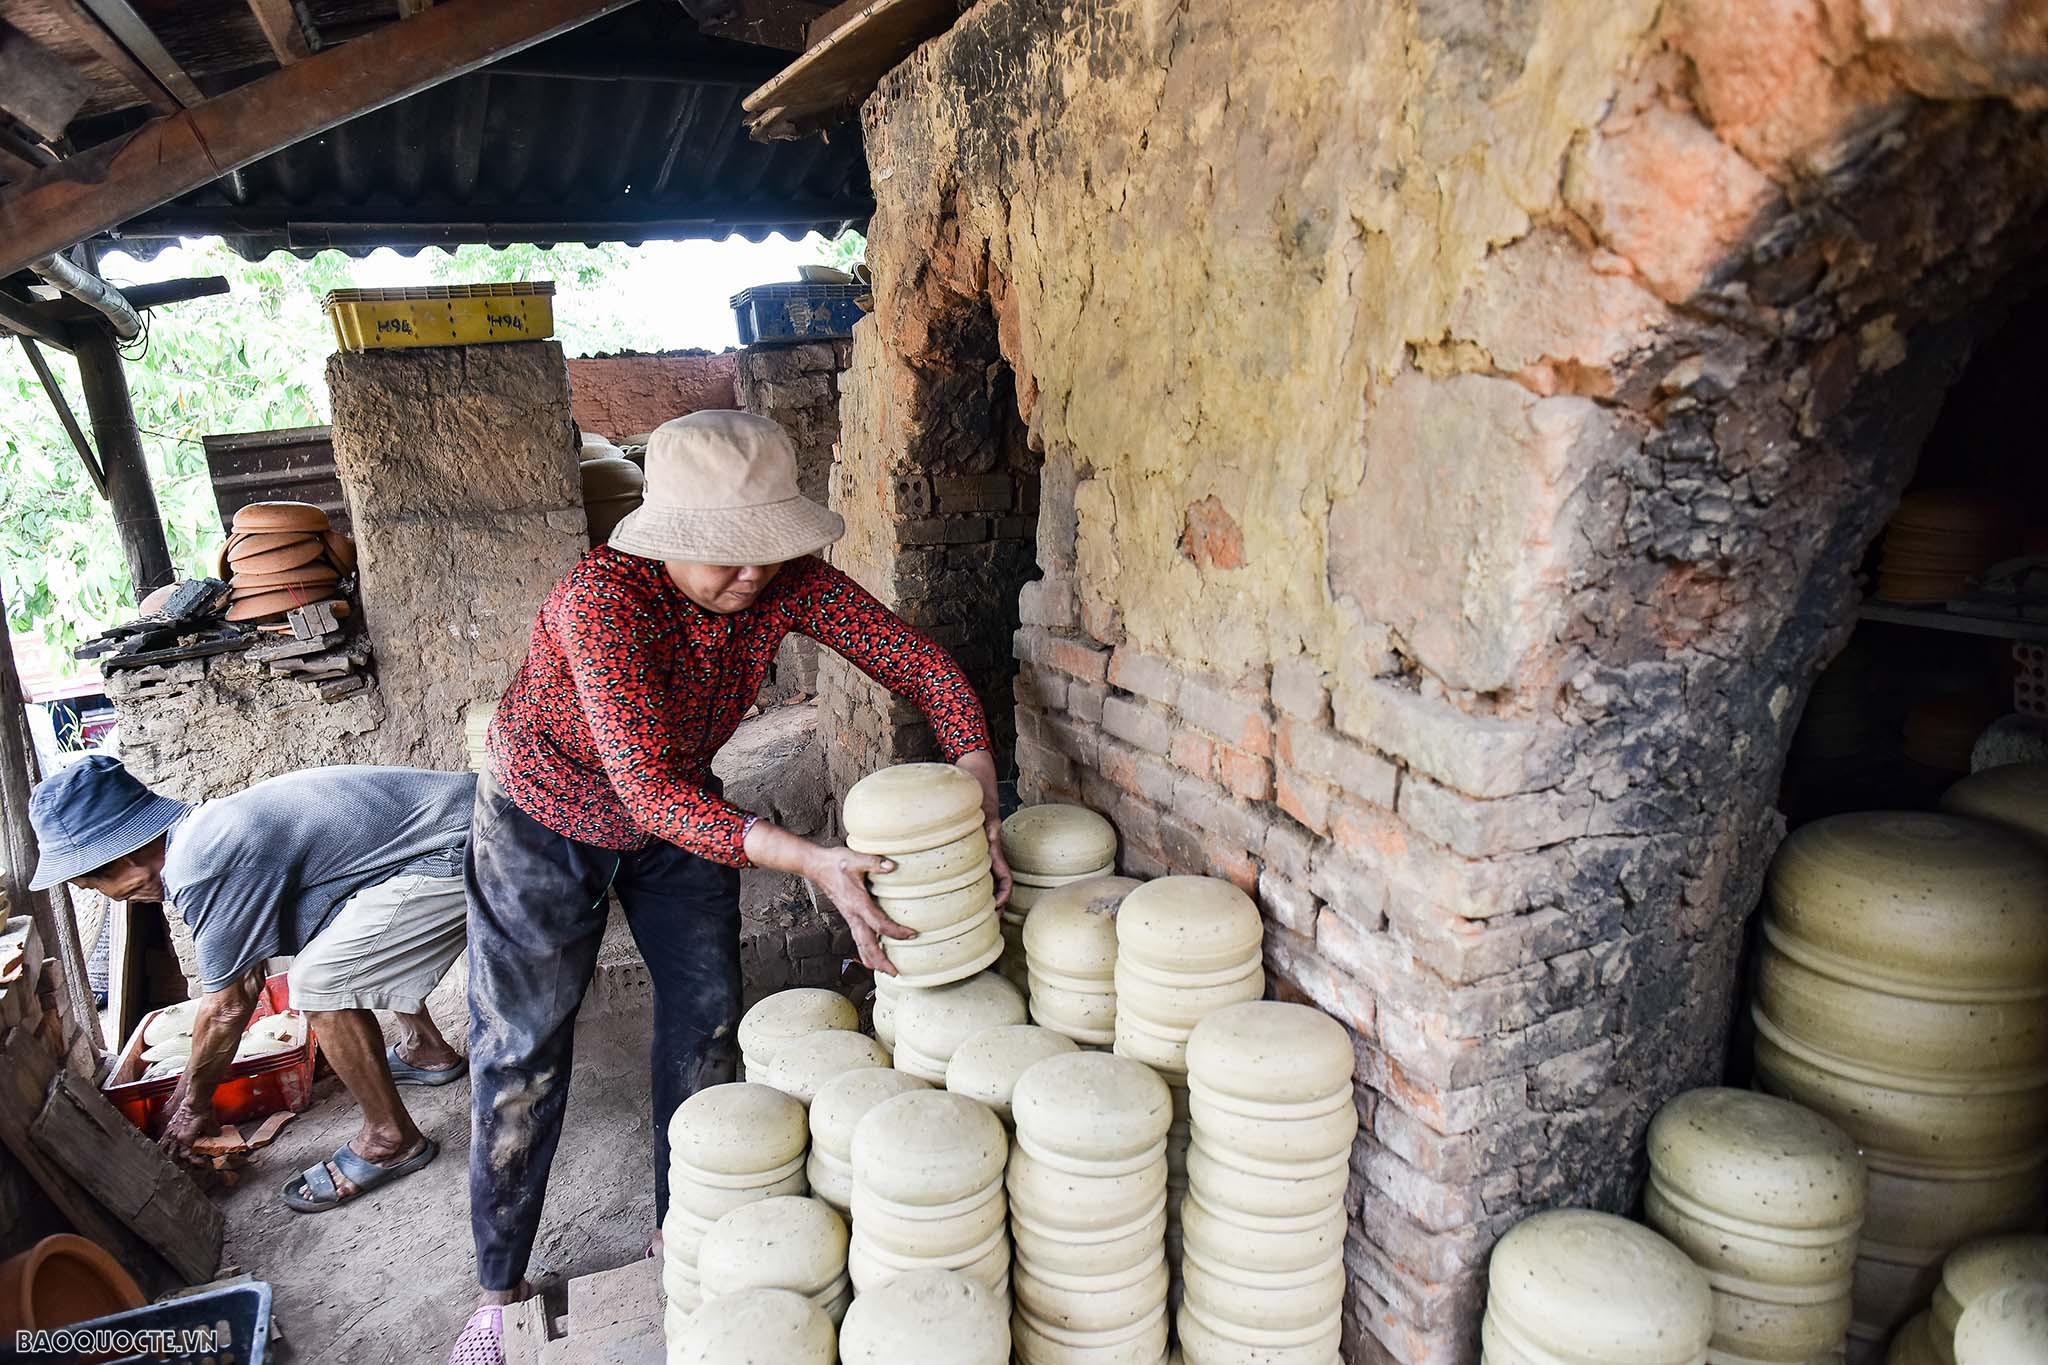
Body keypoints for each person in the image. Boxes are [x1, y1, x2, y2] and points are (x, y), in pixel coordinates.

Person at [448, 411, 1009, 1362]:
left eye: (766, 549)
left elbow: (915, 661)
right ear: (666, 537)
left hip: (682, 815)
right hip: (546, 817)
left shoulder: (787, 582)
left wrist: (978, 784)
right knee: (523, 1053)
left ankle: (687, 1228)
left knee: (707, 1021)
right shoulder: (602, 604)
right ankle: (497, 1293)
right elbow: (645, 790)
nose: (750, 573)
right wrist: (812, 859)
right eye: (723, 552)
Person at [28, 756, 476, 1211]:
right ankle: (425, 1049)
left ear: (121, 857)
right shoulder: (206, 828)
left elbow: (228, 1005)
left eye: (89, 883)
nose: (100, 894)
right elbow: (253, 966)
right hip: (470, 824)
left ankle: (389, 1139)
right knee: (328, 932)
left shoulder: (201, 863)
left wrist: (190, 1108)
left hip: (474, 844)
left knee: (318, 985)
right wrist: (190, 1092)